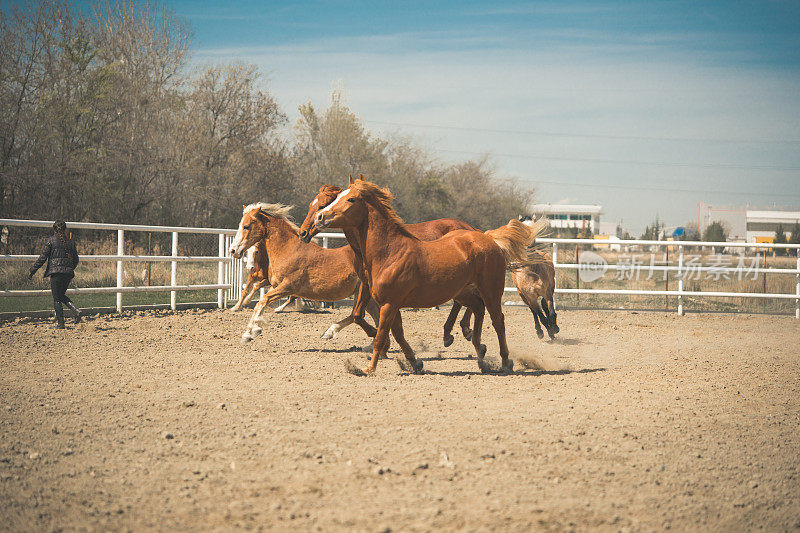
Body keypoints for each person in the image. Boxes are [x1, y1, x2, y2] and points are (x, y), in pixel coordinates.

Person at [29, 220, 81, 328]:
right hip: (68, 273)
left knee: (57, 298)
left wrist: (33, 270)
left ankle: (61, 324)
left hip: (56, 273)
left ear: (54, 229)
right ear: (65, 229)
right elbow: (76, 259)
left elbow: (42, 258)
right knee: (60, 295)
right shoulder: (71, 242)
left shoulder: (50, 241)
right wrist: (69, 268)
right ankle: (75, 310)